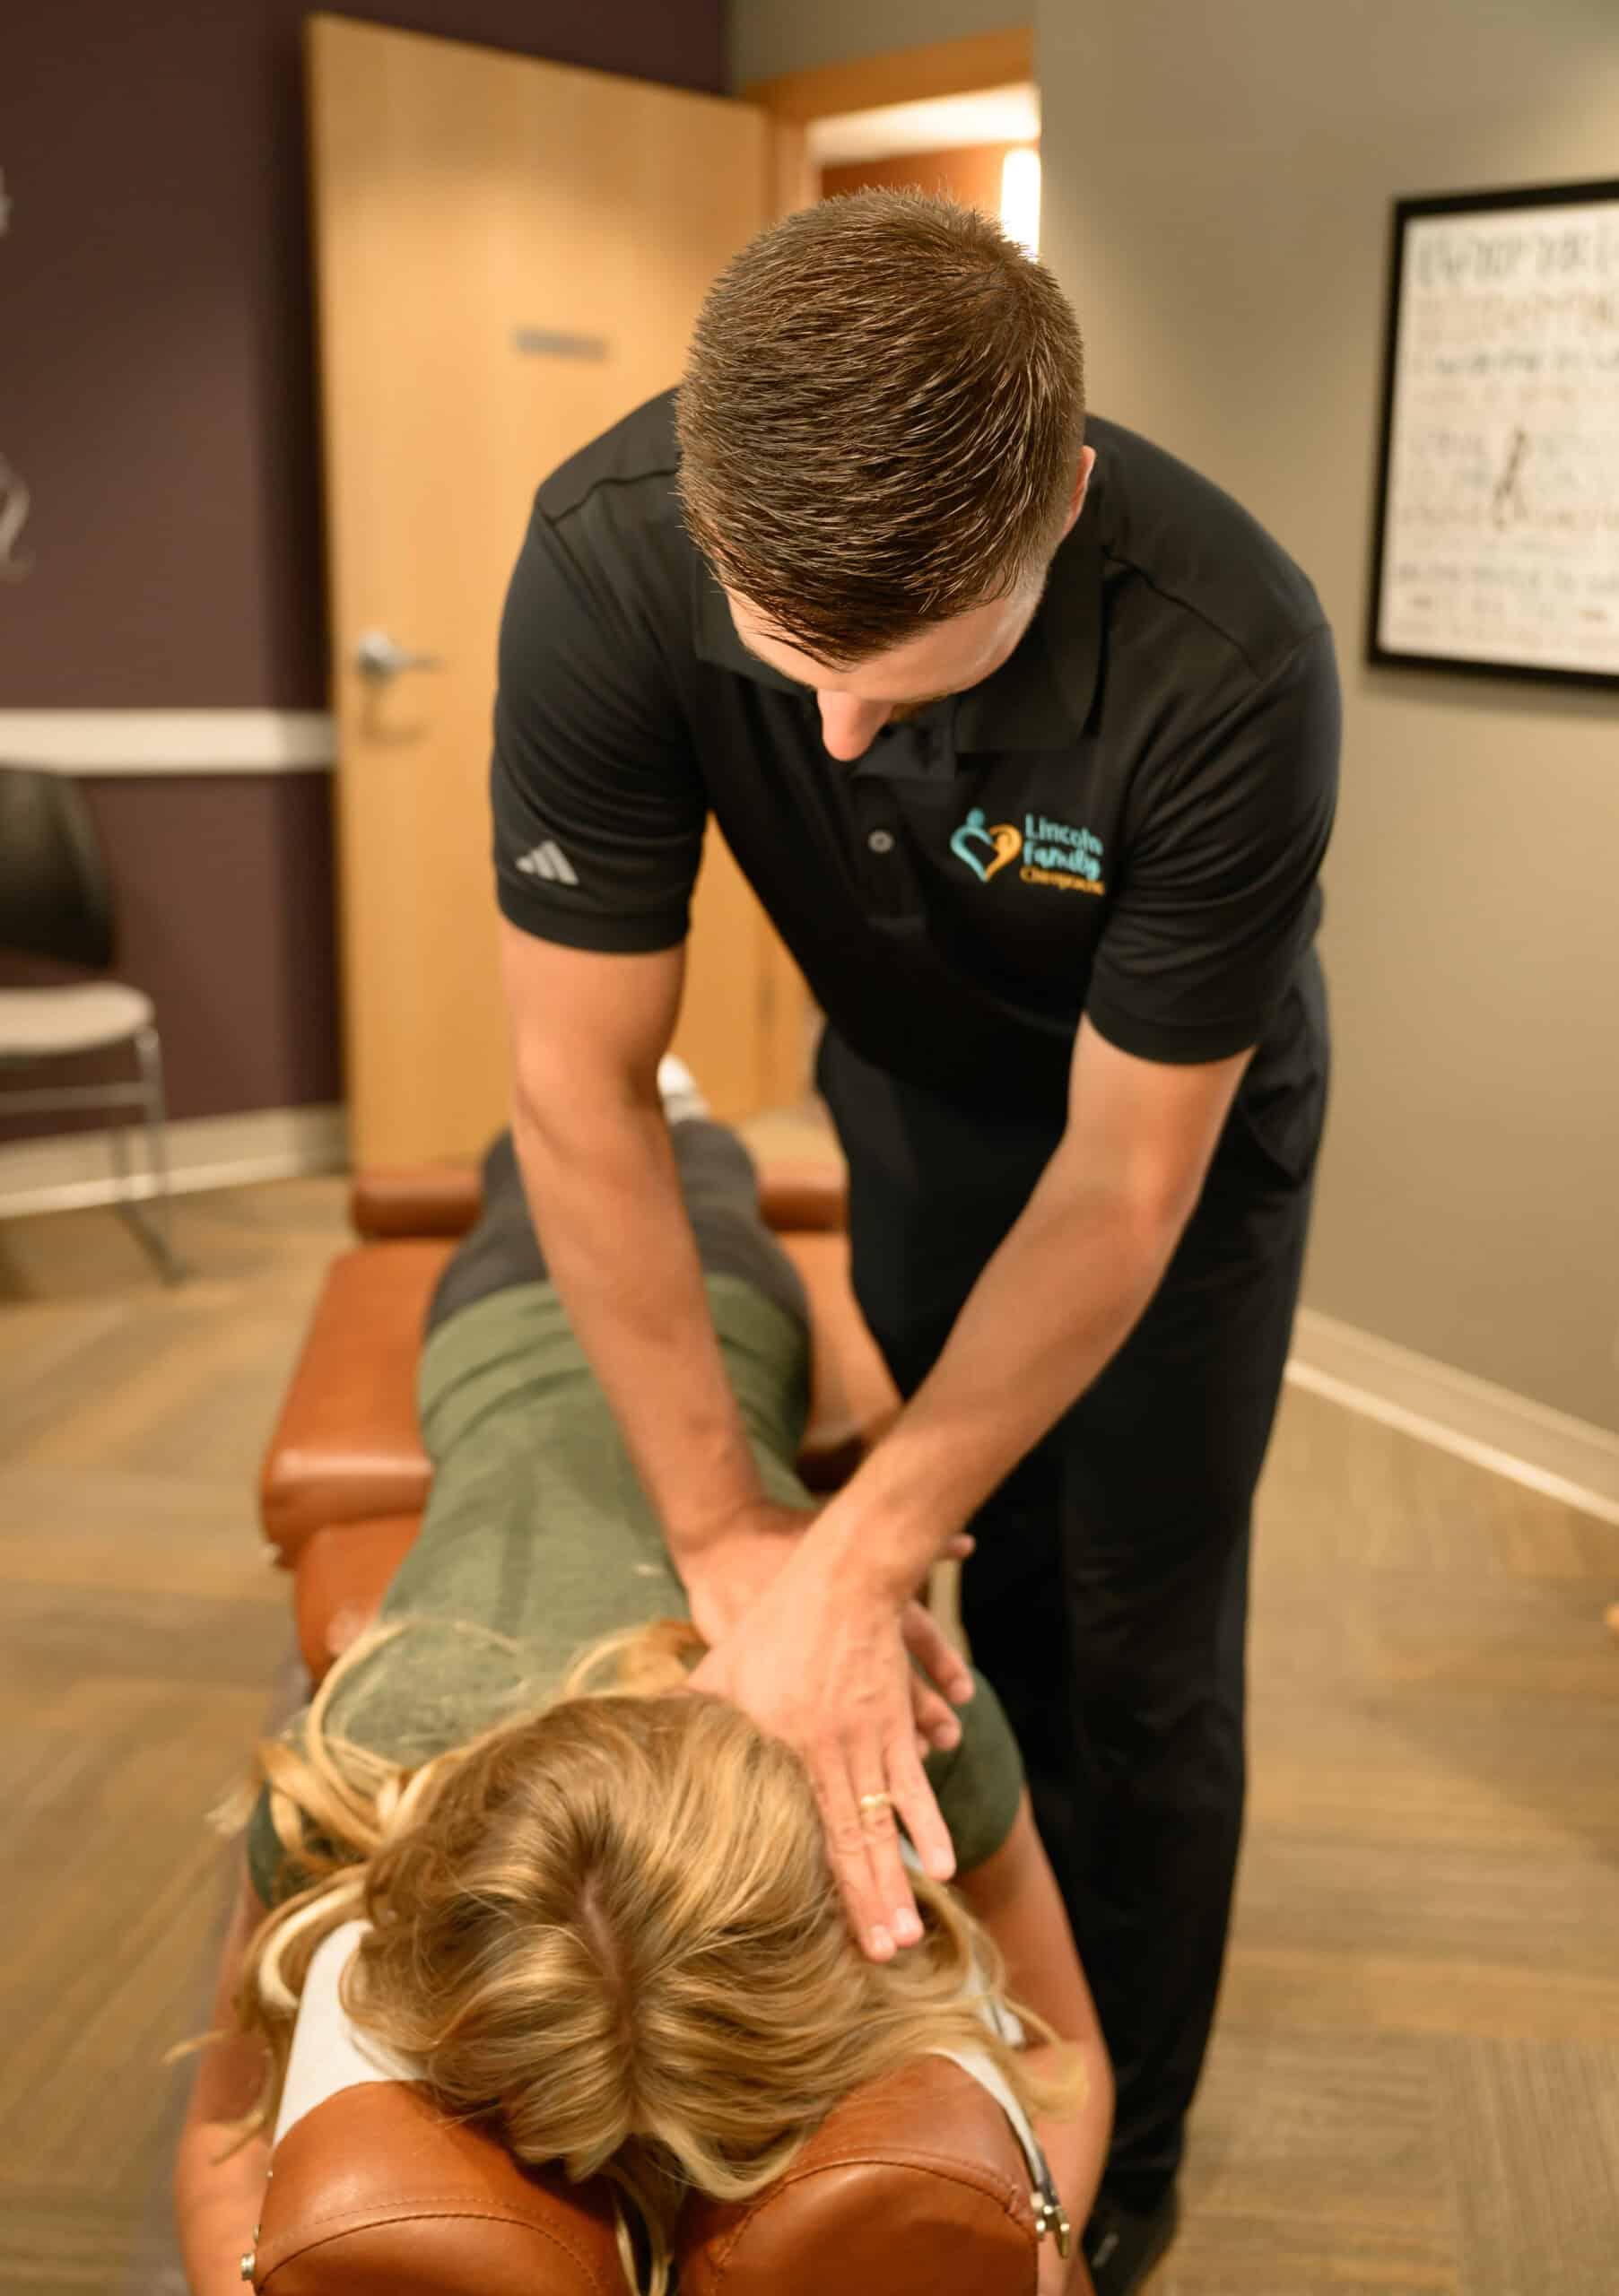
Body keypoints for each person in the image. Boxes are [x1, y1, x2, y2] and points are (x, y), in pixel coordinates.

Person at [489, 191, 1340, 2292]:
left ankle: (1114, 2141)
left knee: (1126, 1637)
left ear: (1056, 501)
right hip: (911, 1101)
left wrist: (848, 1555)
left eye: (908, 679)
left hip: (1172, 1148)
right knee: (946, 1580)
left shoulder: (1228, 652)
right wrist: (733, 1538)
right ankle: (929, 2025)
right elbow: (580, 1086)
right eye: (799, 680)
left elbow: (1127, 1181)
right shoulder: (607, 553)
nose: (840, 738)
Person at [171, 1083, 1111, 2296]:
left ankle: (656, 1109)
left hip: (701, 1326)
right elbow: (220, 2147)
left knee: (645, 1163)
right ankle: (631, 1112)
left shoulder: (900, 1722)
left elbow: (1068, 2054)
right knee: (587, 1156)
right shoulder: (368, 1742)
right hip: (510, 1348)